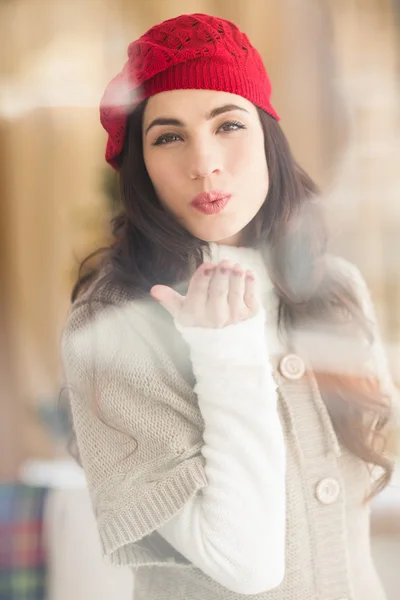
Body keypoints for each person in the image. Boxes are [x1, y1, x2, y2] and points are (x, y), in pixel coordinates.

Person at [61, 13, 399, 600]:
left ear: (268, 134)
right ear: (139, 168)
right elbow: (245, 564)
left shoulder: (336, 287)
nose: (205, 162)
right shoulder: (113, 325)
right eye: (168, 136)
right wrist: (225, 350)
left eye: (229, 124)